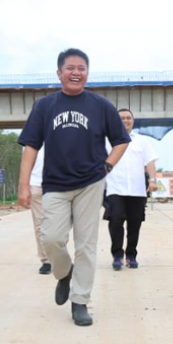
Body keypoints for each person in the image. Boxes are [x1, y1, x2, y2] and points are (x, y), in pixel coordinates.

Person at [17, 48, 130, 327]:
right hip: (55, 183)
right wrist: (23, 185)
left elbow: (121, 140)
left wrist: (107, 166)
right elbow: (31, 145)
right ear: (59, 73)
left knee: (86, 245)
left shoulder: (101, 105)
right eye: (70, 68)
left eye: (81, 68)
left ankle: (80, 301)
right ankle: (64, 273)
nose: (76, 72)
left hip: (90, 183)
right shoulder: (45, 106)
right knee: (51, 239)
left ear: (87, 74)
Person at [104, 108, 158, 271]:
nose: (125, 120)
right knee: (116, 220)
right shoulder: (107, 141)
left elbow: (150, 162)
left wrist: (153, 180)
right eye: (121, 118)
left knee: (135, 223)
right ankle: (117, 254)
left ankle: (131, 254)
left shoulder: (142, 141)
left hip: (137, 190)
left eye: (128, 118)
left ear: (133, 121)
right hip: (115, 188)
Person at [28, 145, 51, 274]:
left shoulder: (59, 131)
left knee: (59, 224)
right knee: (39, 224)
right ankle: (46, 260)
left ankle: (58, 255)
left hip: (58, 184)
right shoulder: (31, 137)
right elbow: (26, 163)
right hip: (36, 185)